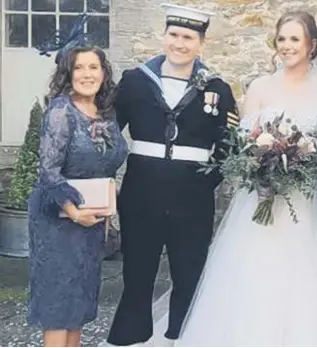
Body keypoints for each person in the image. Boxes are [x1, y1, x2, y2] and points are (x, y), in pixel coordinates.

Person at [175, 11, 317, 347]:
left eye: (295, 39)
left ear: (312, 46)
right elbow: (244, 143)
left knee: (306, 280)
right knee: (253, 276)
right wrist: (259, 165)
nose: (287, 46)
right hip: (261, 200)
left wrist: (300, 161)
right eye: (282, 39)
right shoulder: (260, 87)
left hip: (305, 203)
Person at [106, 3, 239, 346]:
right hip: (140, 195)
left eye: (189, 37)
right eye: (175, 35)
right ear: (163, 36)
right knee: (137, 273)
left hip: (192, 200)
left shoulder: (217, 88)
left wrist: (205, 181)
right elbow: (107, 134)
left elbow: (230, 146)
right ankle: (130, 339)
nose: (180, 43)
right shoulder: (135, 81)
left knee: (188, 274)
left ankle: (183, 338)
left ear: (201, 43)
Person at [27, 40, 129, 346]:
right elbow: (49, 170)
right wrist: (74, 212)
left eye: (93, 67)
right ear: (67, 74)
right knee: (59, 305)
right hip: (59, 221)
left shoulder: (106, 112)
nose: (87, 74)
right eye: (79, 67)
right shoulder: (60, 111)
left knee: (79, 305)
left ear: (103, 72)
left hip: (91, 223)